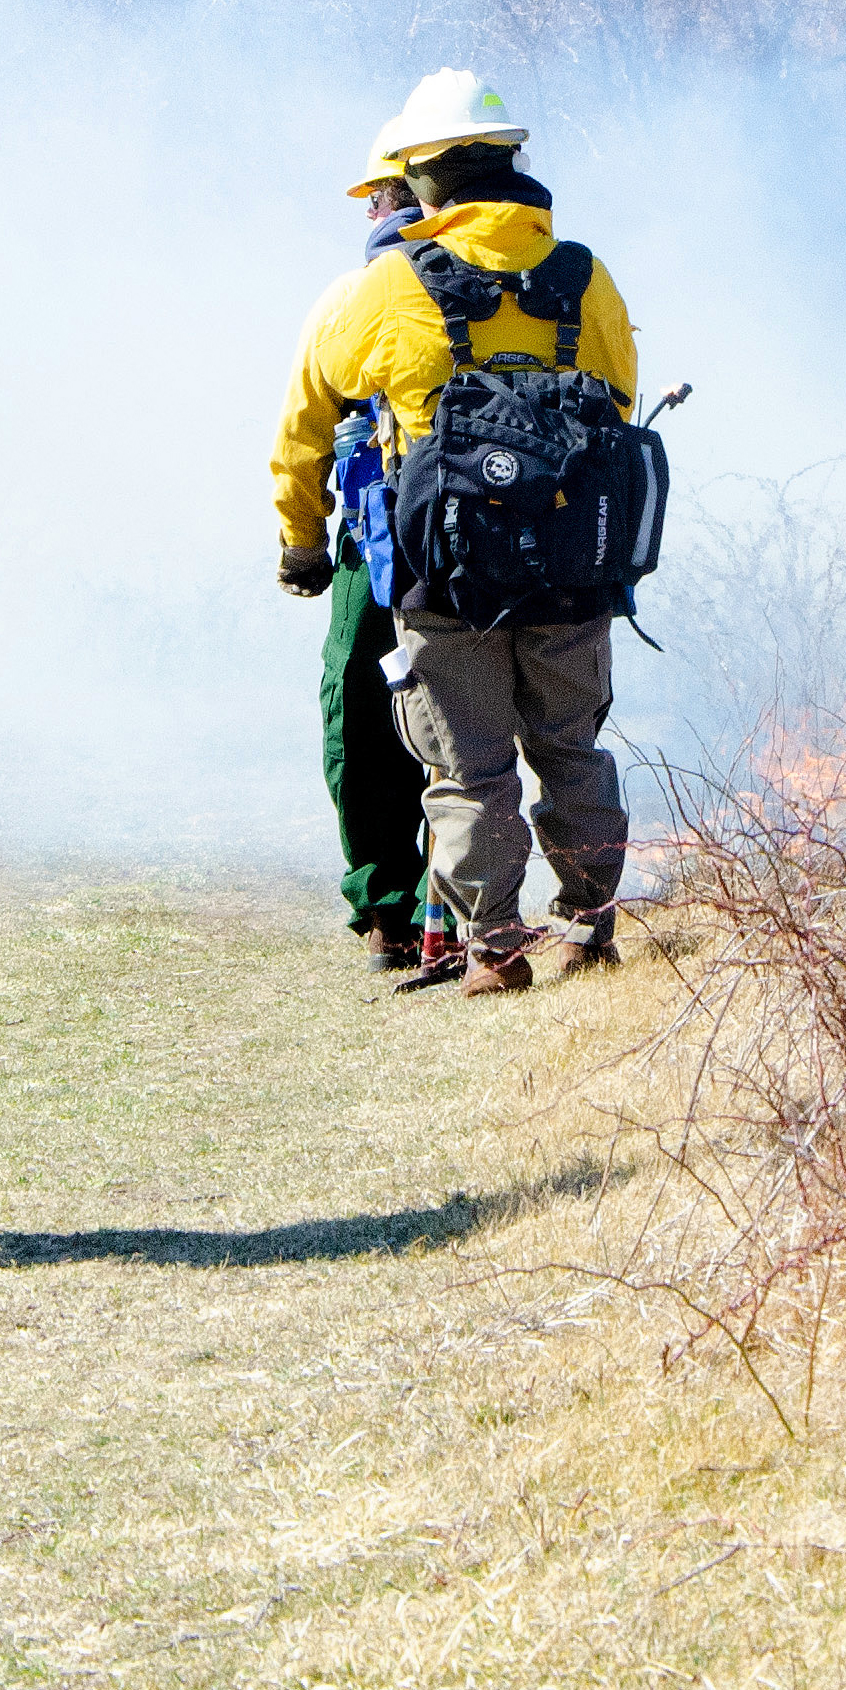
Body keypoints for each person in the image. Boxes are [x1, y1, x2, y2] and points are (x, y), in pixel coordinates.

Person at [270, 70, 640, 996]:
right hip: (568, 569)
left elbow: (307, 422)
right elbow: (619, 405)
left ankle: (493, 948)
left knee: (468, 769)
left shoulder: (388, 286)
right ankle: (592, 923)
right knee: (572, 748)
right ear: (512, 166)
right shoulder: (587, 278)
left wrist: (302, 540)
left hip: (447, 576)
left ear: (425, 177)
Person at [285, 142, 443, 979]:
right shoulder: (512, 282)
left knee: (356, 702)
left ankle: (392, 909)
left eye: (377, 198)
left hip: (381, 538)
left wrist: (301, 541)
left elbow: (302, 430)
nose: (374, 214)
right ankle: (453, 908)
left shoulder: (351, 298)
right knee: (472, 718)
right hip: (484, 542)